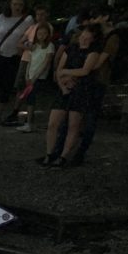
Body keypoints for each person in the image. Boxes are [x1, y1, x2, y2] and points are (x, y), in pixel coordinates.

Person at [40, 22, 106, 168]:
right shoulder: (71, 49)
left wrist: (67, 73)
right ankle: (49, 153)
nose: (83, 39)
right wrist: (63, 84)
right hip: (65, 88)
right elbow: (59, 69)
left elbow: (85, 71)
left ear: (93, 39)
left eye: (87, 38)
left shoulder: (93, 52)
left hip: (82, 90)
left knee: (73, 125)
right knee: (53, 124)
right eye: (82, 36)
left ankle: (64, 156)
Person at [15, 21, 57, 133]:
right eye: (39, 34)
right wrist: (27, 75)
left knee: (34, 99)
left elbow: (46, 63)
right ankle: (29, 122)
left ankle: (31, 123)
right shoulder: (34, 47)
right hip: (31, 76)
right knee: (30, 99)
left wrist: (36, 76)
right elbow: (30, 61)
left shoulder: (50, 46)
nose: (41, 36)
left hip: (40, 77)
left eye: (44, 33)